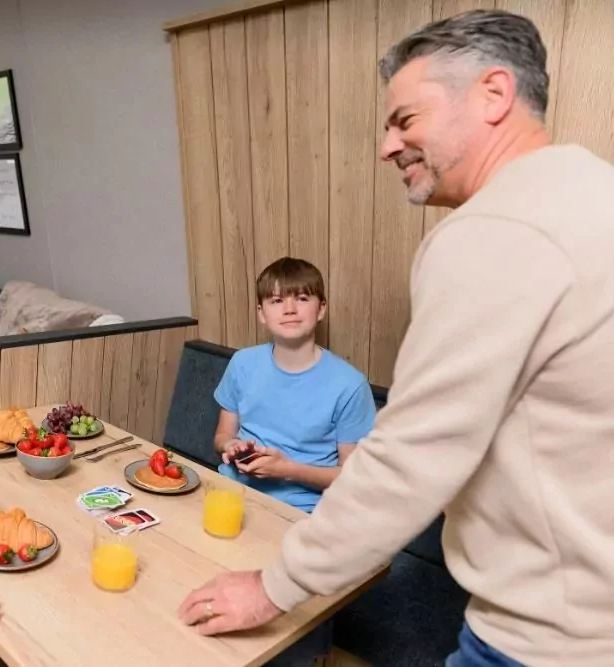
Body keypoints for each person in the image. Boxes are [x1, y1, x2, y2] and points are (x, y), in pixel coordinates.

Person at [179, 10, 614, 667]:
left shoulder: (497, 232)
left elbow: (410, 457)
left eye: (406, 119)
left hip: (549, 642)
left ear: (494, 94)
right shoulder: (592, 194)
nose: (387, 146)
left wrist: (273, 587)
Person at [214, 257, 376, 515]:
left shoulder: (350, 385)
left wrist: (288, 471)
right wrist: (230, 446)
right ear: (261, 313)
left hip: (301, 511)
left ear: (321, 309)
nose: (289, 309)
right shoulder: (243, 363)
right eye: (276, 301)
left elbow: (354, 478)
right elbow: (222, 435)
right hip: (230, 493)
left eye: (302, 298)